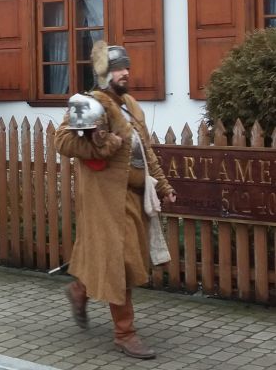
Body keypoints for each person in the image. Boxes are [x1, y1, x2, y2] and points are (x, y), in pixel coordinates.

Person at [55, 41, 177, 360]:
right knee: (119, 261)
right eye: (120, 69)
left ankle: (79, 290)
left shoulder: (132, 105)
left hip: (133, 195)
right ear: (104, 73)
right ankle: (125, 333)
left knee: (119, 257)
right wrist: (105, 142)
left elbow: (144, 149)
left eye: (127, 68)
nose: (126, 73)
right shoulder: (87, 103)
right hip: (104, 198)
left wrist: (163, 186)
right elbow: (63, 141)